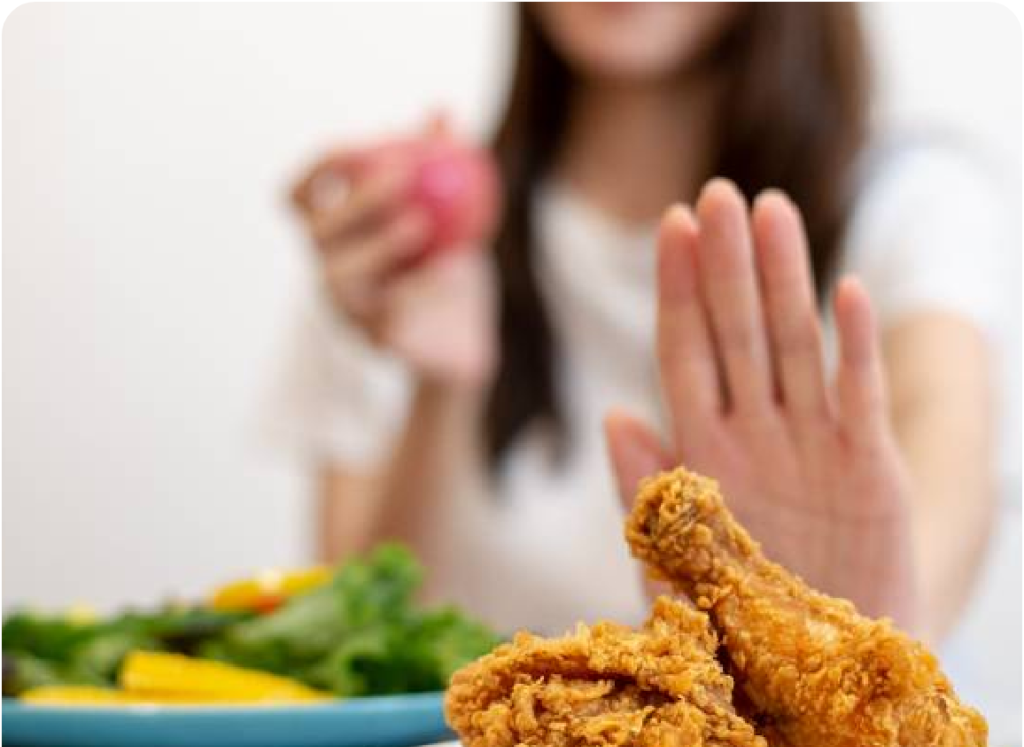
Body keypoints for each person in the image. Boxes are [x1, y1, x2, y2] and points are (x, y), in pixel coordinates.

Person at [275, 3, 999, 645]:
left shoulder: (910, 203)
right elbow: (363, 646)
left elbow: (949, 455)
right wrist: (441, 393)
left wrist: (862, 632)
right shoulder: (404, 238)